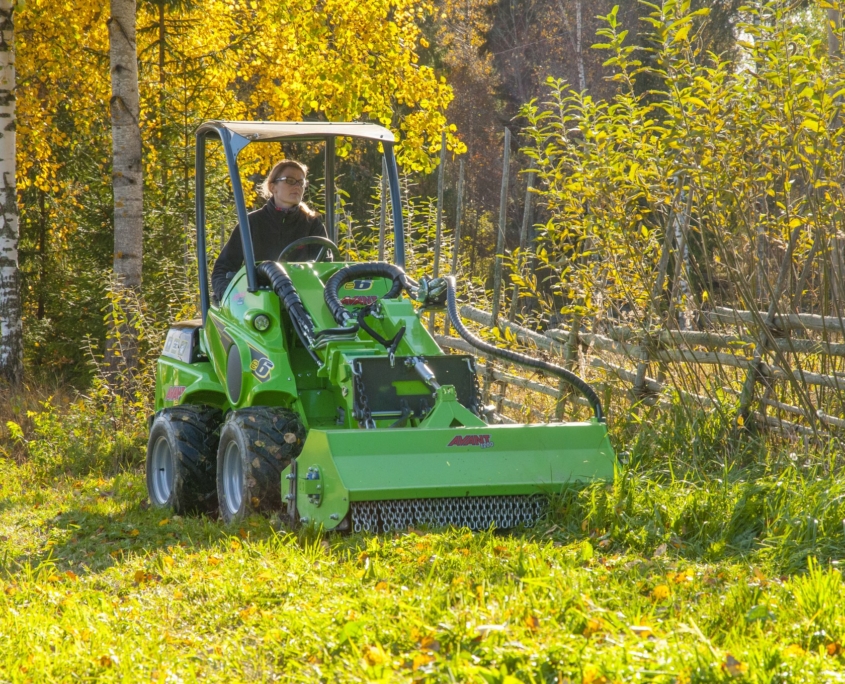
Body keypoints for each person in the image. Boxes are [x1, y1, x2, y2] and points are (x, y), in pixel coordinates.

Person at [211, 159, 329, 301]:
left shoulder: (312, 224)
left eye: (301, 182)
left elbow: (326, 268)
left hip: (304, 301)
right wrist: (232, 298)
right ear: (273, 187)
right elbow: (223, 269)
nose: (297, 186)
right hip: (259, 300)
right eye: (290, 180)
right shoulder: (251, 223)